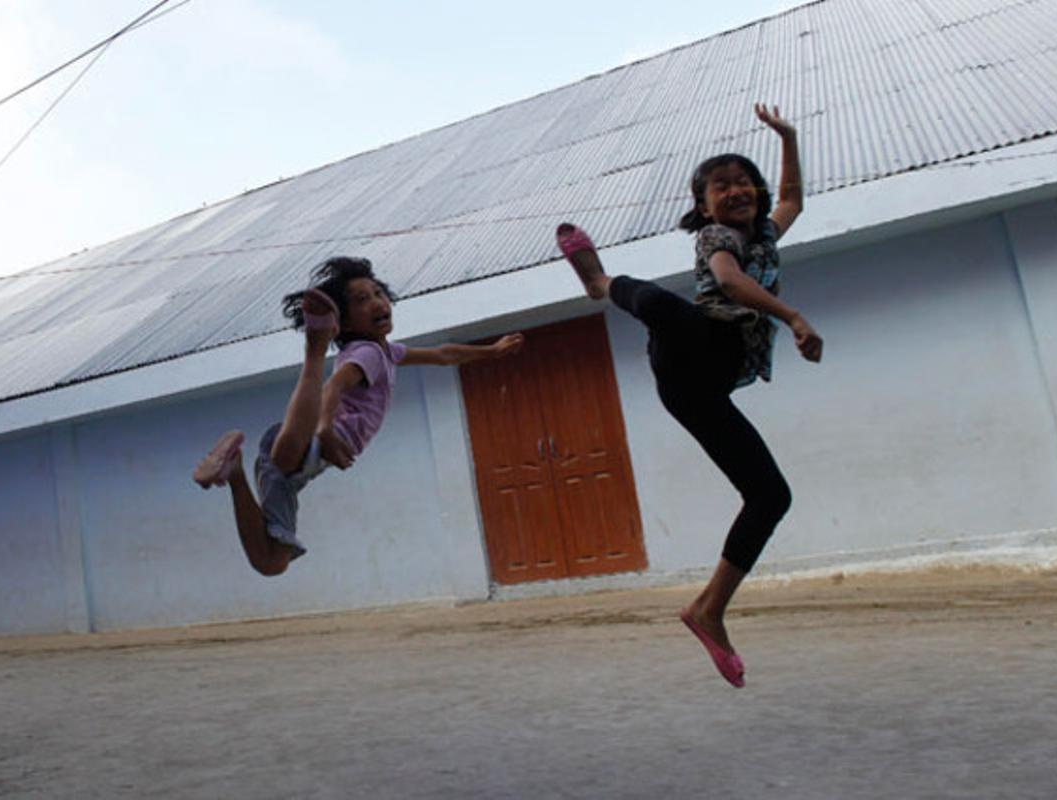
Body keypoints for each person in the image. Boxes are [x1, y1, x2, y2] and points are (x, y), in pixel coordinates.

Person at [556, 104, 823, 687]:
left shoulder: (769, 232)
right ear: (703, 206)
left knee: (771, 495)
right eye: (719, 185)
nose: (735, 190)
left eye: (742, 180)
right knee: (653, 302)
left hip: (709, 387)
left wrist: (789, 140)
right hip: (688, 352)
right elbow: (729, 281)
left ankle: (709, 609)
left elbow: (795, 199)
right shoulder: (715, 237)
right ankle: (600, 282)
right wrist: (793, 316)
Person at [192, 256, 524, 576]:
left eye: (378, 293)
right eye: (362, 300)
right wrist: (325, 433)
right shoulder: (369, 354)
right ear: (345, 323)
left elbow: (442, 354)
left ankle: (234, 472)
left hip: (294, 441)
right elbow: (332, 388)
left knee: (271, 561)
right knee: (284, 457)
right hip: (320, 435)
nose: (377, 302)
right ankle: (315, 346)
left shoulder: (387, 352)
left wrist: (490, 351)